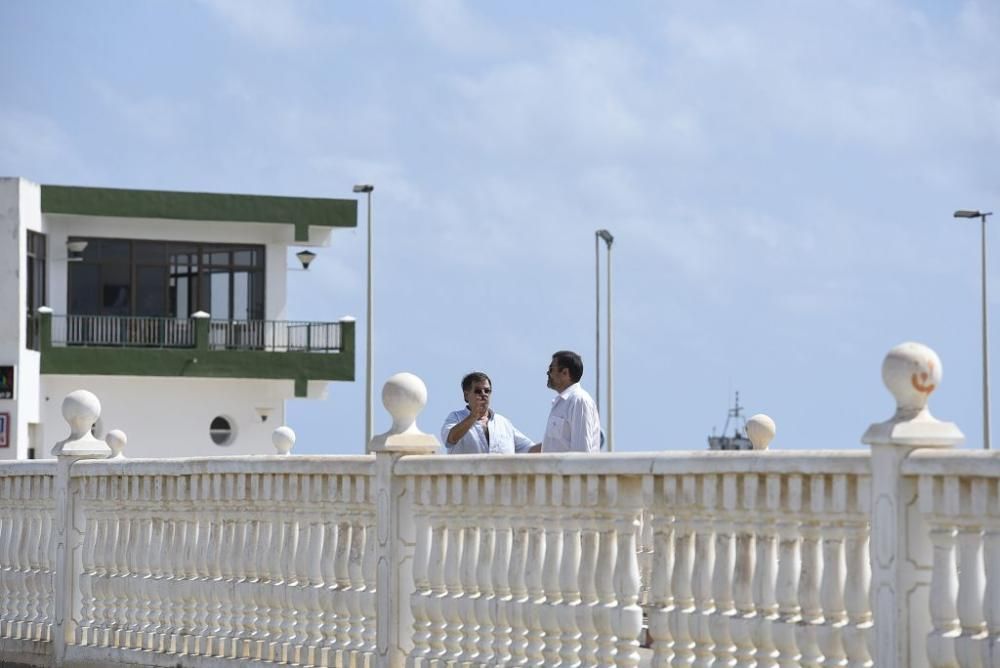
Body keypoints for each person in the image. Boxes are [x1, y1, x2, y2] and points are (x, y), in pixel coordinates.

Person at [441, 371, 535, 454]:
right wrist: (474, 416)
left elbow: (530, 449)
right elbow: (450, 439)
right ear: (466, 395)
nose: (483, 394)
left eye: (487, 391)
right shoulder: (456, 417)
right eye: (478, 391)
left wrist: (550, 440)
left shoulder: (503, 423)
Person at [540, 350, 601, 453]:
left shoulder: (579, 400)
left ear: (565, 373)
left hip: (571, 469)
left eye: (551, 369)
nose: (547, 373)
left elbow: (581, 452)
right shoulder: (562, 402)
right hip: (555, 469)